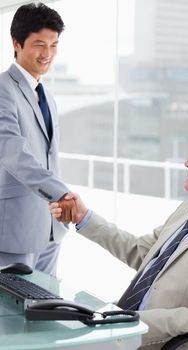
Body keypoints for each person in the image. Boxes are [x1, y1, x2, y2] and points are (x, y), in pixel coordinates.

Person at [50, 125, 188, 350]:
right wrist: (83, 217)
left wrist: (135, 321)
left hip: (156, 341)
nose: (186, 163)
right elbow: (141, 252)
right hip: (119, 328)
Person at [0, 2, 78, 276]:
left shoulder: (45, 95)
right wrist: (60, 192)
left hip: (50, 227)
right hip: (14, 228)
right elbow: (12, 152)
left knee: (47, 308)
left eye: (54, 45)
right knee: (10, 314)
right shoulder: (3, 89)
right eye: (39, 44)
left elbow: (47, 157)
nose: (47, 54)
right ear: (16, 43)